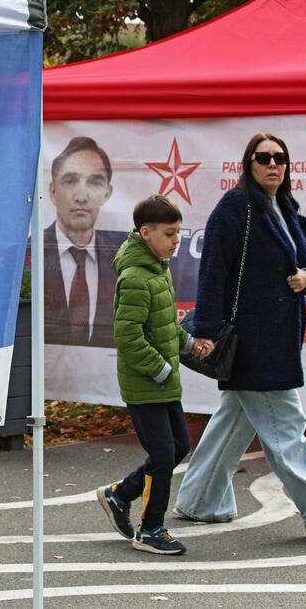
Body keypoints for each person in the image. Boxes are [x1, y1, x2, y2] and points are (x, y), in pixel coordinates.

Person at [173, 132, 306, 538]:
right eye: (263, 158)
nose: (272, 165)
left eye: (280, 158)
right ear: (248, 164)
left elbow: (304, 259)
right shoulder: (236, 207)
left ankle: (199, 499)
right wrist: (204, 331)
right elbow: (213, 271)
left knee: (234, 421)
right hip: (253, 342)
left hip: (279, 338)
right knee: (285, 423)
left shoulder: (287, 206)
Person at [96, 194, 211, 555]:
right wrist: (160, 369)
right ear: (146, 233)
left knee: (178, 446)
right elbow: (128, 338)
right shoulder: (134, 277)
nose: (177, 240)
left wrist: (190, 343)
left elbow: (162, 327)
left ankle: (120, 495)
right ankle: (150, 529)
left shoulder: (157, 270)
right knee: (163, 453)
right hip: (146, 383)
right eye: (169, 233)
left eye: (178, 232)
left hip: (163, 380)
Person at [43, 136, 117, 347]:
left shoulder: (121, 262)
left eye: (94, 182)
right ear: (53, 192)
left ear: (107, 193)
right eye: (70, 181)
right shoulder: (28, 255)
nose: (81, 196)